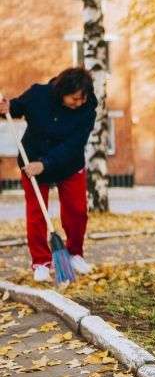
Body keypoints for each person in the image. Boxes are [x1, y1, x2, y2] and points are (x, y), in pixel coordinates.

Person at [0, 68, 97, 282]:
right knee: (36, 214)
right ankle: (41, 261)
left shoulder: (87, 108)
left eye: (83, 98)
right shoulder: (38, 94)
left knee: (77, 211)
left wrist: (45, 164)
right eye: (75, 98)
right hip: (32, 159)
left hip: (67, 164)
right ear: (63, 91)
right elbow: (17, 107)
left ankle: (74, 254)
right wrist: (7, 107)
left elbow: (74, 145)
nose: (79, 102)